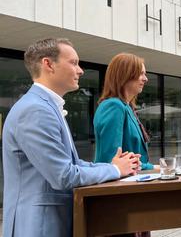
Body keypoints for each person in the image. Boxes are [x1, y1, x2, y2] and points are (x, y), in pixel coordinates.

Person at [2, 38, 140, 237]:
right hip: (38, 226)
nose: (81, 70)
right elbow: (63, 175)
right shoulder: (36, 110)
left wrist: (113, 166)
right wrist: (115, 169)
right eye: (74, 63)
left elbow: (73, 164)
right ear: (48, 64)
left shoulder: (47, 107)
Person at [94, 53, 157, 172]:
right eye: (141, 73)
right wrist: (155, 167)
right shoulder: (114, 106)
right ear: (125, 75)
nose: (145, 79)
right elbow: (112, 160)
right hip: (119, 186)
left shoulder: (127, 107)